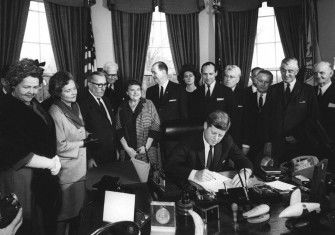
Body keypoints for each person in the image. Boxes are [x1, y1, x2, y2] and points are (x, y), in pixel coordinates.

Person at [0, 58, 61, 235]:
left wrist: (52, 158)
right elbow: (14, 152)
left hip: (40, 177)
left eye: (35, 87)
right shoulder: (6, 108)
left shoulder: (34, 104)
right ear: (13, 84)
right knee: (24, 224)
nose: (32, 91)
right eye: (26, 87)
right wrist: (50, 163)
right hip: (20, 178)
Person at [165, 110, 253, 189]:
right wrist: (194, 173)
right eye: (213, 133)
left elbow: (243, 160)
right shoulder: (188, 141)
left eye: (220, 135)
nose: (216, 138)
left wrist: (245, 172)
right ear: (205, 125)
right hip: (192, 189)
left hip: (217, 188)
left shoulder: (227, 140)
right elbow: (170, 165)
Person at [48, 72, 89, 235]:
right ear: (58, 93)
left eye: (74, 89)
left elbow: (78, 130)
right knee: (64, 215)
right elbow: (59, 146)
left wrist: (85, 135)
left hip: (80, 169)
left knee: (77, 214)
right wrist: (83, 142)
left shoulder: (75, 106)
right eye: (68, 90)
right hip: (67, 173)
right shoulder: (55, 111)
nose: (73, 93)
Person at [263, 57, 319, 165]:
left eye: (290, 71)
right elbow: (266, 117)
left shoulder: (308, 90)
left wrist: (297, 136)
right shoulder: (272, 90)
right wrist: (268, 141)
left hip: (300, 144)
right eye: (283, 70)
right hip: (277, 144)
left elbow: (313, 118)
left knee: (297, 177)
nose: (286, 74)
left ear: (297, 71)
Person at [116, 80, 161, 176]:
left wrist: (146, 147)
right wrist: (127, 149)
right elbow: (118, 129)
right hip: (128, 151)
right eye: (132, 90)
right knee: (129, 179)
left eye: (138, 89)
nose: (136, 92)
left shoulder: (148, 104)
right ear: (127, 93)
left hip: (146, 150)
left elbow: (156, 125)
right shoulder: (121, 107)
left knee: (149, 178)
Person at [78, 71, 117, 166]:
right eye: (99, 85)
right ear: (90, 84)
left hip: (111, 153)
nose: (103, 88)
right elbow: (81, 133)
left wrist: (116, 149)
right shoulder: (82, 104)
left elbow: (111, 127)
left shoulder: (106, 100)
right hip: (95, 157)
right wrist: (89, 157)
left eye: (104, 84)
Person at [242, 70, 273, 165]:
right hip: (251, 144)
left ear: (270, 83)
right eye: (260, 81)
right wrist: (245, 144)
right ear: (255, 81)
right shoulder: (247, 98)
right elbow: (245, 123)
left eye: (266, 82)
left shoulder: (276, 99)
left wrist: (269, 142)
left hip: (270, 145)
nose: (262, 84)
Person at [222, 65, 244, 146]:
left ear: (238, 79)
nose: (228, 79)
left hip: (238, 138)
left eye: (231, 77)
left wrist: (245, 143)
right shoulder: (216, 92)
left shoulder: (244, 94)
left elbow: (247, 121)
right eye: (226, 76)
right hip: (219, 137)